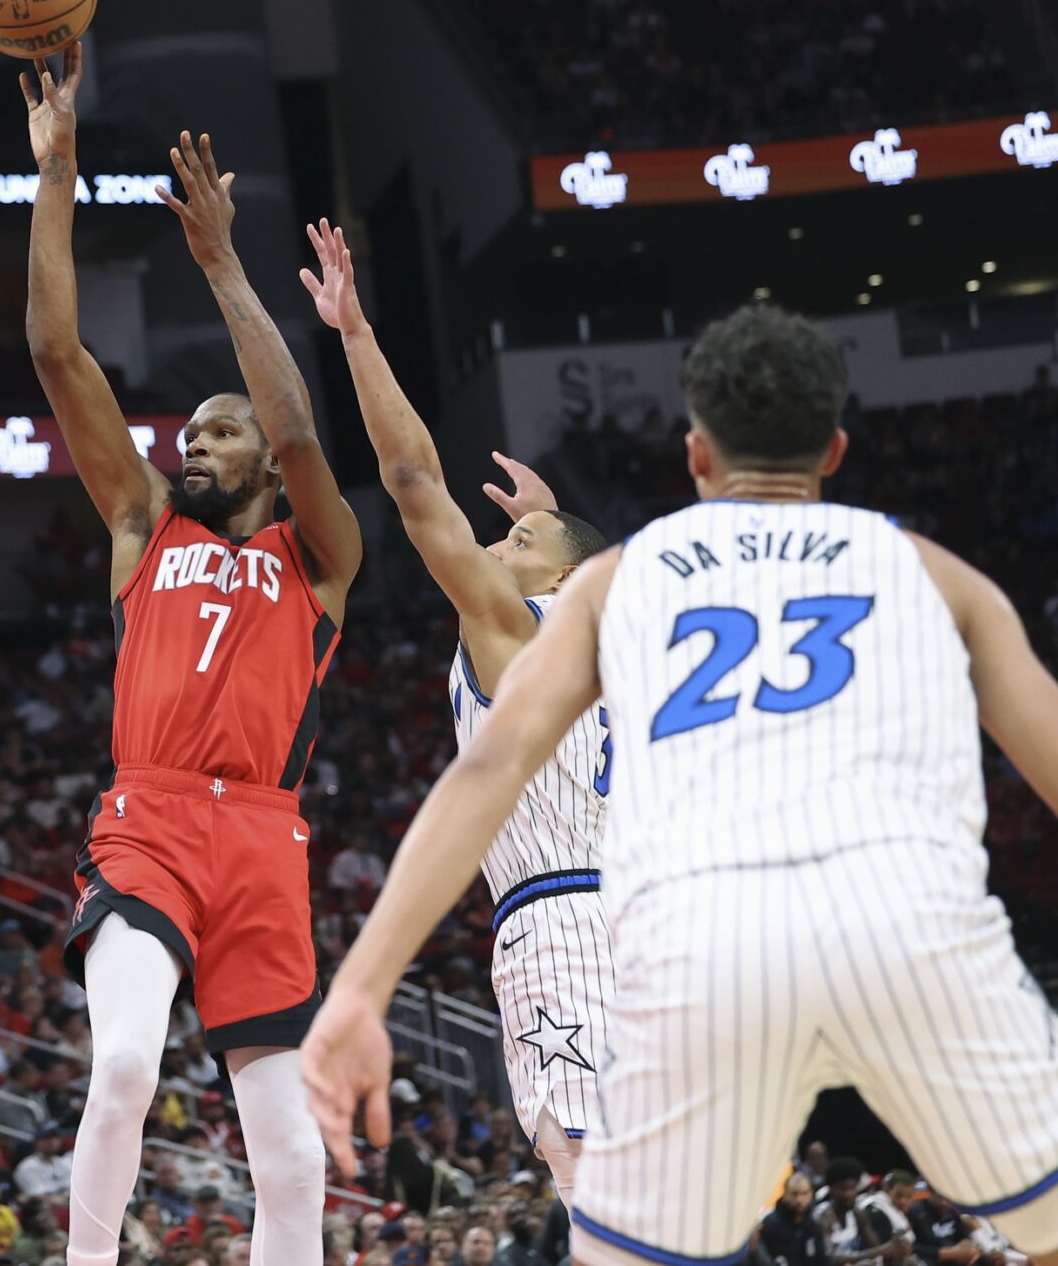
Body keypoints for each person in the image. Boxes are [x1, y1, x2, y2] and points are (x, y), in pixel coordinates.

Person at [301, 304, 1058, 1265]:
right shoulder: (928, 569)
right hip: (898, 919)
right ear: (834, 447)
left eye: (523, 542)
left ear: (696, 455)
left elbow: (484, 748)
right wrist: (554, 530)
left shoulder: (621, 591)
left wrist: (363, 989)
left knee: (621, 1231)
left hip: (680, 939)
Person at [22, 43, 360, 1266]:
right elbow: (59, 355)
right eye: (190, 429)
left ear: (259, 462)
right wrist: (53, 177)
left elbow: (300, 429)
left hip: (264, 836)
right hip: (152, 818)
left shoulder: (317, 557)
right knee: (120, 1061)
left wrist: (219, 260)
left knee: (294, 1156)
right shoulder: (138, 524)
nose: (194, 440)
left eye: (218, 430)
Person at [301, 220, 610, 1199]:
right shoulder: (615, 635)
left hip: (560, 929)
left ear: (551, 570)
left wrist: (353, 334)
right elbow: (580, 560)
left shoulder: (510, 627)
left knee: (597, 1199)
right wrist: (553, 517)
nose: (496, 540)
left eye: (516, 534)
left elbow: (410, 480)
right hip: (662, 922)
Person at [758, 1174, 831, 1266]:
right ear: (785, 1194)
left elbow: (823, 1258)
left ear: (811, 1194)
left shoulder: (814, 1223)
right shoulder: (770, 1225)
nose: (799, 1200)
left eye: (804, 1193)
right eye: (794, 1194)